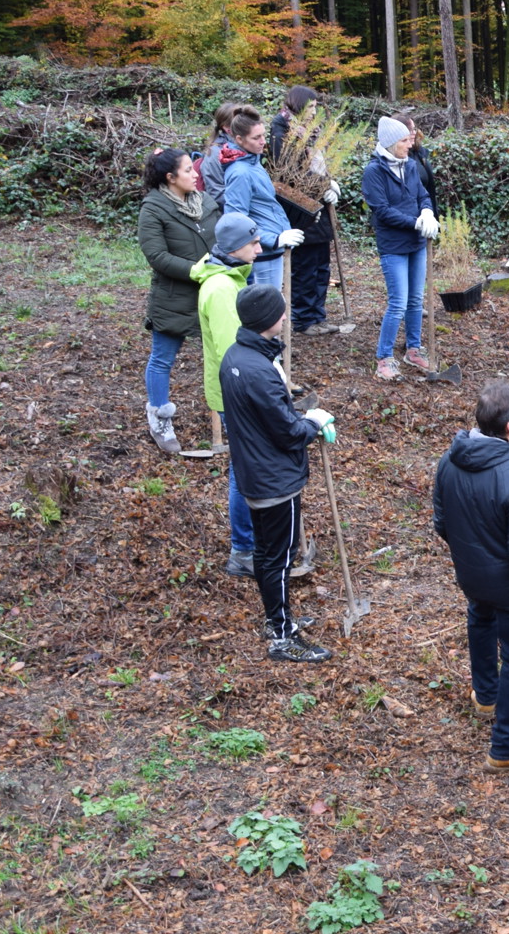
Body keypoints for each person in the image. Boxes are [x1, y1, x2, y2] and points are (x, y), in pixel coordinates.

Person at [432, 381, 509, 772]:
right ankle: (505, 749)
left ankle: (485, 696)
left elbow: (442, 523)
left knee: (480, 620)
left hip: (471, 575)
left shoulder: (449, 460)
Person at [219, 284, 337, 664]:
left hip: (255, 470)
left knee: (270, 555)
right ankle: (283, 635)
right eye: (280, 312)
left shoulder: (236, 356)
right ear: (266, 320)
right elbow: (287, 433)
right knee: (278, 557)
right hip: (273, 481)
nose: (286, 316)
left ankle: (278, 617)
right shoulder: (257, 370)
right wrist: (313, 421)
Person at [193, 213, 266, 577]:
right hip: (235, 395)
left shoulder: (230, 277)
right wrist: (260, 391)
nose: (260, 247)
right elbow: (231, 353)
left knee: (245, 468)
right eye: (253, 243)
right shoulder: (222, 289)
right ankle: (243, 550)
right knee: (243, 471)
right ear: (234, 247)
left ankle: (250, 542)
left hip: (237, 391)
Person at [137, 148, 214, 454]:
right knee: (162, 358)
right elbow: (156, 255)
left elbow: (223, 237)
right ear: (170, 178)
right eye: (187, 170)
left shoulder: (204, 201)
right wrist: (194, 270)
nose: (196, 173)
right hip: (173, 296)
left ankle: (229, 411)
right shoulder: (153, 209)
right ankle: (159, 415)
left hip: (212, 292)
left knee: (224, 355)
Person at [362, 116, 438, 381]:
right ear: (391, 142)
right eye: (405, 140)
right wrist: (415, 222)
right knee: (398, 303)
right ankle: (384, 357)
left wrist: (427, 212)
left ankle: (413, 350)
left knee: (416, 300)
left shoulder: (410, 165)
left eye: (409, 139)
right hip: (393, 245)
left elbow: (423, 195)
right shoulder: (374, 171)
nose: (410, 144)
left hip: (416, 244)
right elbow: (381, 211)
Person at [268, 85, 343, 337]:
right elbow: (289, 171)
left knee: (322, 264)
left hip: (318, 203)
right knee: (305, 264)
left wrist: (328, 183)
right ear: (298, 106)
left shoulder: (311, 133)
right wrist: (323, 185)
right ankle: (303, 318)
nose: (315, 111)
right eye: (311, 107)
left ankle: (317, 315)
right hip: (298, 206)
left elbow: (319, 163)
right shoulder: (281, 131)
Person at [219, 111, 300, 290]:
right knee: (266, 312)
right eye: (256, 137)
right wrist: (274, 239)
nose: (263, 141)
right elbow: (236, 221)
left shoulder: (253, 163)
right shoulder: (240, 173)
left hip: (271, 253)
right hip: (261, 255)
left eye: (264, 135)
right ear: (239, 139)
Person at [200, 101, 260, 211]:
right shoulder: (214, 155)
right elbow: (217, 195)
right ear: (227, 129)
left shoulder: (247, 146)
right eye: (238, 123)